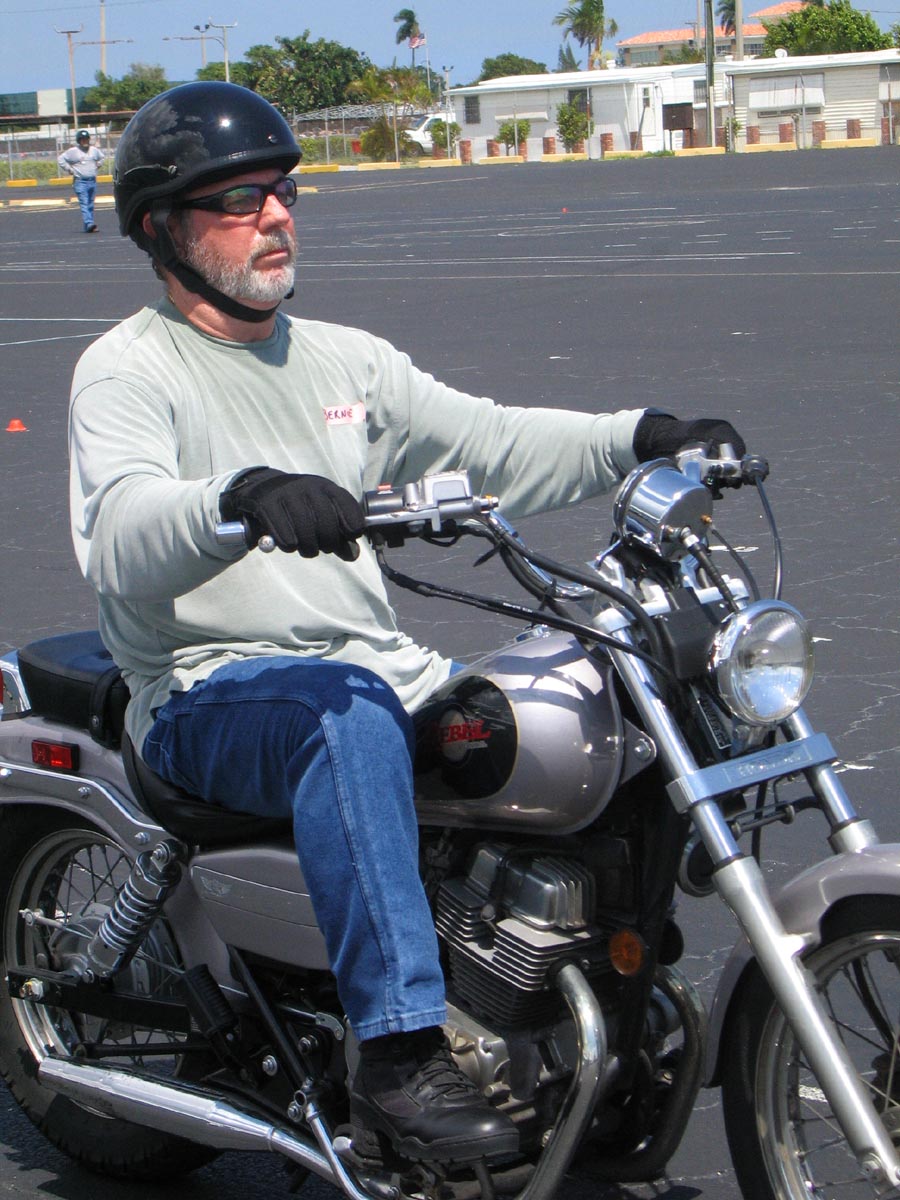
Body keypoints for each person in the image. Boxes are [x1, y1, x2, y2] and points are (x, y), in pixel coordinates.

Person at [68, 81, 745, 1166]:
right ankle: (396, 1056)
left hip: (377, 667)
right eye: (238, 199)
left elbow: (491, 440)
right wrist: (238, 499)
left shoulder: (345, 361)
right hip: (206, 690)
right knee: (344, 716)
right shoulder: (127, 369)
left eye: (282, 192)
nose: (275, 215)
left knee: (594, 695)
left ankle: (590, 999)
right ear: (160, 228)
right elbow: (122, 529)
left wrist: (641, 436)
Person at [58, 128, 105, 233]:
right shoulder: (73, 152)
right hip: (80, 182)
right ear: (79, 141)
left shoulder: (94, 150)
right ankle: (89, 223)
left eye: (86, 139)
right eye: (82, 139)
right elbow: (61, 159)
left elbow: (102, 157)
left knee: (90, 204)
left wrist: (99, 164)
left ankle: (88, 225)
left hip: (92, 181)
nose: (85, 141)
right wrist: (69, 169)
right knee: (84, 203)